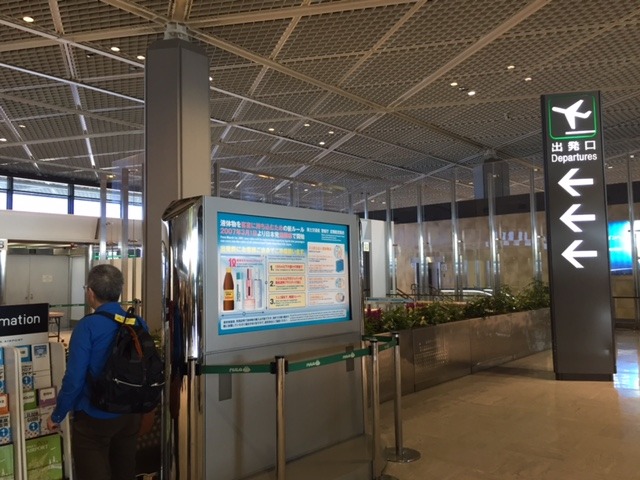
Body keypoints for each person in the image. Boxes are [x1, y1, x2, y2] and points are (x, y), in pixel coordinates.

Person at [47, 264, 146, 480]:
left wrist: (58, 414)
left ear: (90, 292)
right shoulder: (137, 323)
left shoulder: (87, 326)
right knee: (124, 472)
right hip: (130, 413)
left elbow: (74, 379)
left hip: (95, 416)